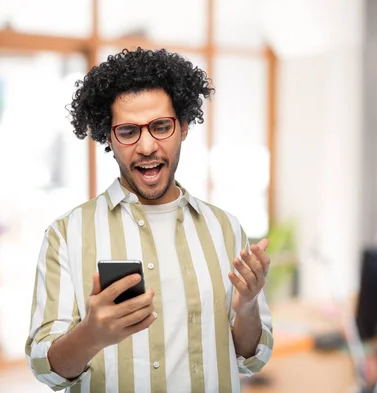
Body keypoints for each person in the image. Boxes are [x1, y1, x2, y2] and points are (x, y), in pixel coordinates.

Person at [26, 47, 273, 393]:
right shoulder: (66, 235)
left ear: (184, 127)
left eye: (160, 126)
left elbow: (252, 358)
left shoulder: (226, 230)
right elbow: (46, 369)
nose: (146, 147)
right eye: (128, 131)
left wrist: (246, 308)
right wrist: (91, 335)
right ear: (108, 137)